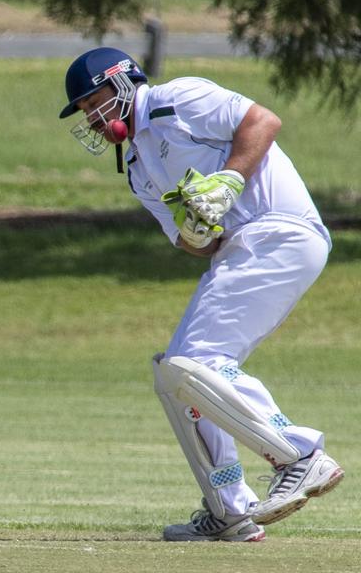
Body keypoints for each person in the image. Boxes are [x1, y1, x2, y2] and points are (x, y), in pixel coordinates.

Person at [59, 47, 343, 543]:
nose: (92, 118)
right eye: (83, 112)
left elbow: (262, 120)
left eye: (93, 102)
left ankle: (299, 456)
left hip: (279, 229)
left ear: (121, 83)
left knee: (199, 362)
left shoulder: (176, 99)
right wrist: (195, 230)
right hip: (238, 247)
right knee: (176, 374)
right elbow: (199, 244)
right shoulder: (139, 169)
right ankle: (229, 509)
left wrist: (228, 181)